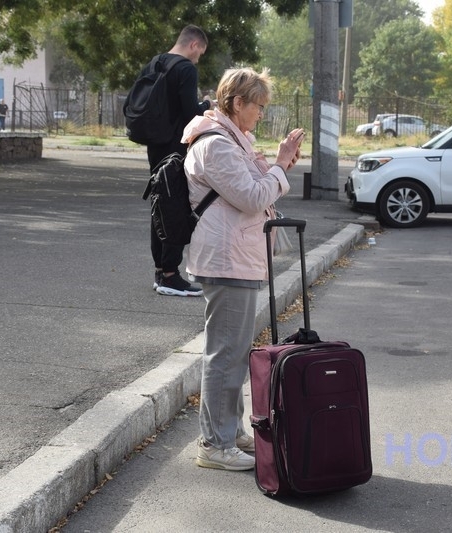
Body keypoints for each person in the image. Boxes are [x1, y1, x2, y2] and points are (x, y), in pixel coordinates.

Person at [182, 67, 304, 470]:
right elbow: (253, 197)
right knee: (225, 354)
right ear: (238, 103)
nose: (262, 115)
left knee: (233, 353)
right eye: (259, 106)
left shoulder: (233, 141)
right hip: (226, 259)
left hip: (236, 256)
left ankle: (228, 431)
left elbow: (256, 189)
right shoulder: (216, 146)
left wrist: (274, 165)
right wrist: (281, 166)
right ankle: (214, 444)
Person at [142, 25, 213, 297]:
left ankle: (161, 271)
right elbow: (189, 116)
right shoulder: (185, 69)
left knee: (159, 205)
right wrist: (206, 105)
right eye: (201, 53)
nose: (198, 59)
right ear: (194, 44)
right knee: (175, 207)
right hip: (176, 149)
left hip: (155, 146)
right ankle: (170, 275)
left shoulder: (154, 63)